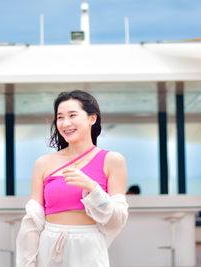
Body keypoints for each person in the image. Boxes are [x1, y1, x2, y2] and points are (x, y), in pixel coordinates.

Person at [16, 90, 129, 267]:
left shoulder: (113, 161)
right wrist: (27, 263)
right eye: (60, 117)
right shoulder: (43, 163)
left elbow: (116, 221)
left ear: (92, 118)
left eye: (72, 115)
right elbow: (32, 221)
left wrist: (93, 189)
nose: (65, 123)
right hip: (50, 245)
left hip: (89, 247)